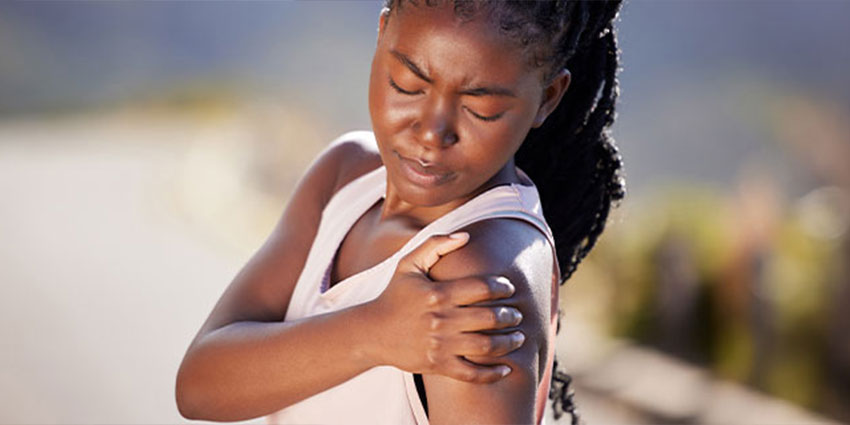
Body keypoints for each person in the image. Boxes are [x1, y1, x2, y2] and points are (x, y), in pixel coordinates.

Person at [175, 1, 624, 424]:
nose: (431, 132)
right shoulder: (345, 177)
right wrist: (373, 333)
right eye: (408, 84)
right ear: (382, 31)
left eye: (481, 108)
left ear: (548, 97)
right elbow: (198, 386)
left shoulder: (481, 277)